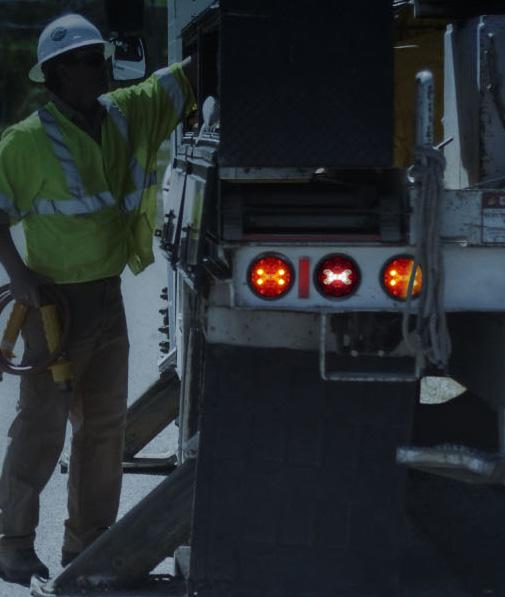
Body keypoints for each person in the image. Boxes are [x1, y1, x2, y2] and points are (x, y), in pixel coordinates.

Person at [0, 13, 195, 584]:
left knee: (105, 426)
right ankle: (11, 543)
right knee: (42, 424)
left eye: (101, 57)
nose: (100, 68)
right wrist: (21, 277)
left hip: (106, 297)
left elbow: (180, 80)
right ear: (58, 74)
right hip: (54, 306)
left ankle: (87, 547)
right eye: (87, 61)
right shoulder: (26, 141)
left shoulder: (123, 114)